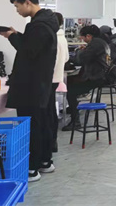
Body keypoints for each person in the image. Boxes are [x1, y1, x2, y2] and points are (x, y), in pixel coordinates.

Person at [0, 0, 58, 181]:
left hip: (31, 85)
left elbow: (29, 52)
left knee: (33, 126)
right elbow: (33, 47)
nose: (17, 10)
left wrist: (12, 37)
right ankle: (45, 161)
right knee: (42, 122)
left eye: (17, 6)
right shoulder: (45, 22)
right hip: (40, 83)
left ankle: (32, 168)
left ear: (28, 3)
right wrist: (17, 35)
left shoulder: (39, 26)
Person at [62, 25, 111, 131]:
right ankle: (72, 108)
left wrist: (78, 52)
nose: (82, 39)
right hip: (99, 75)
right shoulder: (101, 43)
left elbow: (80, 60)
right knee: (70, 82)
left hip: (96, 78)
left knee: (70, 91)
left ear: (88, 36)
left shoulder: (95, 45)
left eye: (82, 37)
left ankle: (75, 121)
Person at [49, 12, 69, 153]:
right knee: (51, 111)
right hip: (57, 78)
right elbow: (66, 58)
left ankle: (50, 142)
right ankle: (52, 140)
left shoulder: (52, 38)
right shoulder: (62, 38)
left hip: (48, 78)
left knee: (48, 112)